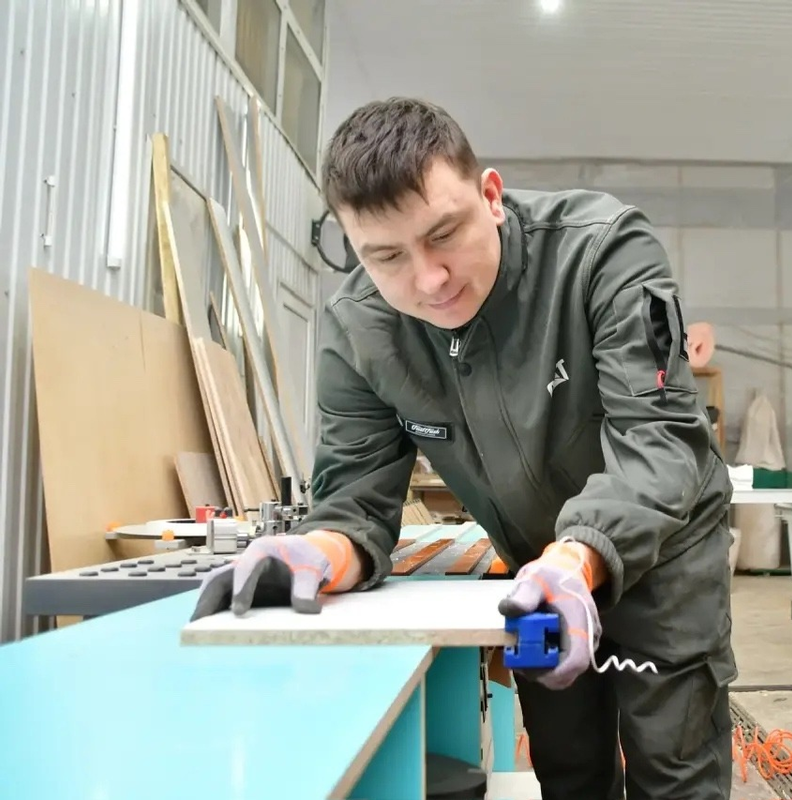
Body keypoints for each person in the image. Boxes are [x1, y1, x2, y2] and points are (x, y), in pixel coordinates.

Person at [189, 97, 737, 800]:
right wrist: (318, 551)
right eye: (386, 256)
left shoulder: (602, 251)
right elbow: (356, 500)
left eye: (444, 234)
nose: (429, 279)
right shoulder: (359, 330)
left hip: (665, 553)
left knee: (676, 772)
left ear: (491, 196)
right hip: (538, 570)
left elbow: (658, 440)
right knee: (568, 769)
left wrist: (577, 557)